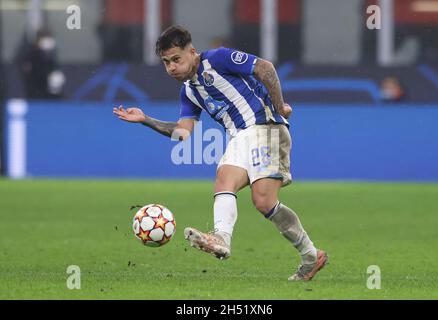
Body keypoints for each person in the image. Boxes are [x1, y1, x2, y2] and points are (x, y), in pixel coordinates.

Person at [113, 26, 328, 281]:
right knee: (223, 181)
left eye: (176, 59)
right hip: (239, 137)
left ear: (192, 52)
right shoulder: (189, 91)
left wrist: (279, 105)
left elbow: (265, 68)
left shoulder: (217, 59)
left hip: (265, 127)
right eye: (166, 62)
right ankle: (221, 240)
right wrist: (145, 119)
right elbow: (183, 133)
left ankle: (310, 256)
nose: (171, 67)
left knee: (263, 201)